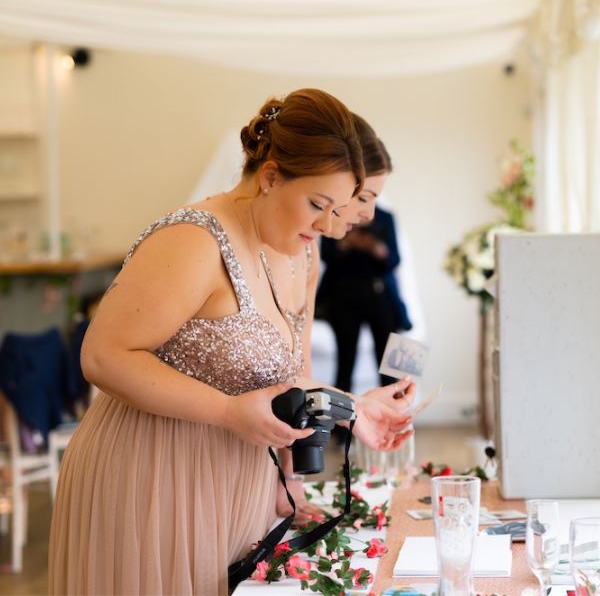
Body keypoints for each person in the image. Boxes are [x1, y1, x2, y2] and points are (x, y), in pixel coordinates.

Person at [48, 89, 414, 595]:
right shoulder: (193, 240)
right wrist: (225, 412)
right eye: (317, 204)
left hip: (235, 479)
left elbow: (285, 378)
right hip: (151, 478)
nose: (330, 227)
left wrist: (355, 410)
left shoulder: (300, 253)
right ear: (270, 177)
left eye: (338, 209)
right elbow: (103, 356)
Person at [316, 115, 413, 394]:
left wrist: (376, 249)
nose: (367, 212)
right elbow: (328, 256)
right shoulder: (332, 219)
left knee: (389, 363)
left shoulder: (385, 218)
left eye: (371, 198)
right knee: (345, 360)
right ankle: (341, 424)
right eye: (362, 198)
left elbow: (394, 260)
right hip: (344, 295)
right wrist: (348, 243)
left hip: (379, 294)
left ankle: (393, 410)